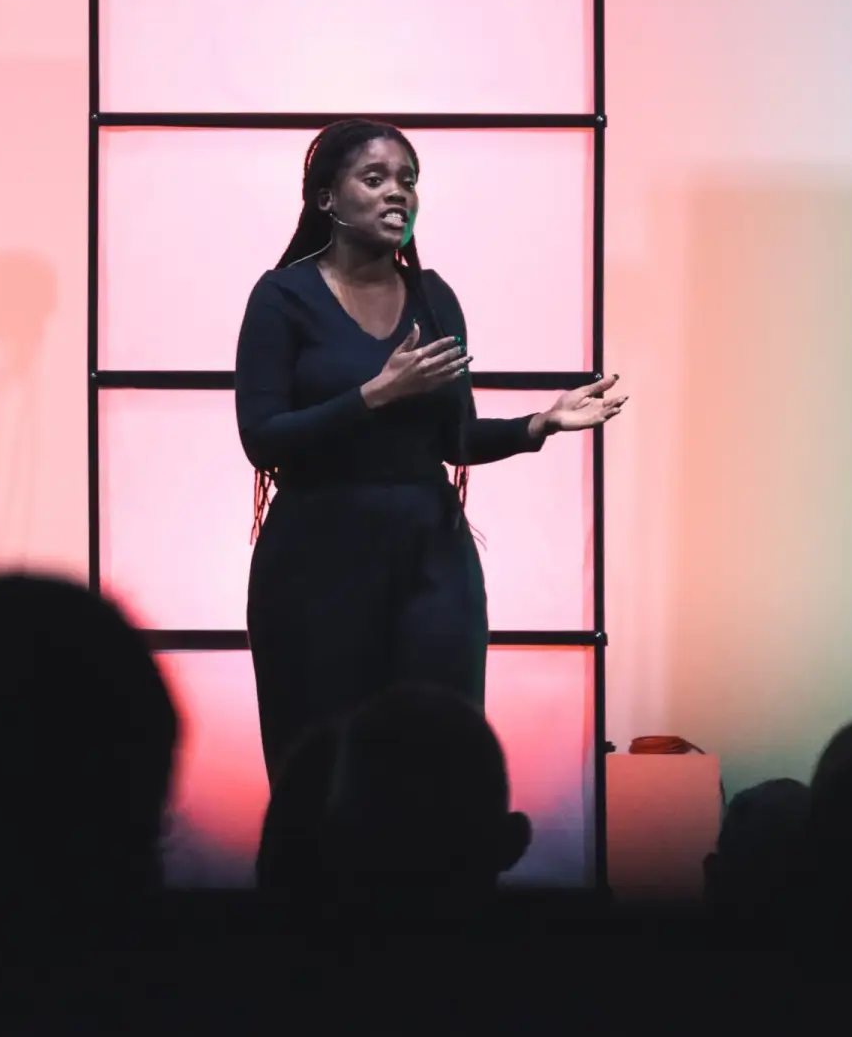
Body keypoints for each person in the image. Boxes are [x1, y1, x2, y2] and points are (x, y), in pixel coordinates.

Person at [234, 119, 625, 778]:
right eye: (376, 178)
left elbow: (454, 440)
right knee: (319, 764)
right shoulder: (281, 297)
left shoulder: (433, 297)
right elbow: (262, 439)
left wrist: (542, 423)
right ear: (326, 198)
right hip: (314, 559)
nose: (398, 194)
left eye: (409, 182)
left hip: (430, 555)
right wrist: (373, 395)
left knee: (437, 758)